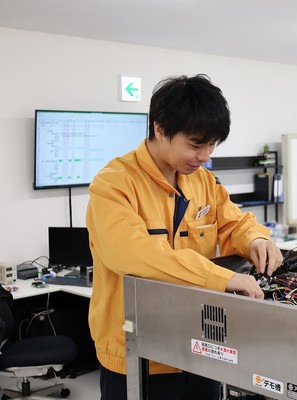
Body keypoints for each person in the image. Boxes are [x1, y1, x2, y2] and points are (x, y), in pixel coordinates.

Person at [86, 74, 284, 400]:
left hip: (202, 349)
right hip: (137, 357)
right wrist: (220, 278)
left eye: (212, 145)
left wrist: (256, 240)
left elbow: (234, 223)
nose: (205, 155)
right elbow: (133, 253)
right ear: (160, 129)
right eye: (195, 144)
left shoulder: (203, 181)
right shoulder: (113, 184)